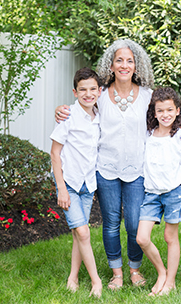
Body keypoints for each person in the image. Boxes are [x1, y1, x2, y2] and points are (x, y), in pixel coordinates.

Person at [55, 39, 181, 290]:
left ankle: (135, 269)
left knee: (133, 223)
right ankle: (116, 273)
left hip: (137, 171)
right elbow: (79, 108)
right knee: (110, 224)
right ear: (111, 65)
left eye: (129, 61)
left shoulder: (148, 96)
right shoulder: (99, 96)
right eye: (119, 60)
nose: (124, 65)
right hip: (105, 169)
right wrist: (60, 109)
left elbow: (166, 117)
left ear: (136, 65)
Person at [135, 87, 181, 296]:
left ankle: (170, 282)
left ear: (177, 111)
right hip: (151, 194)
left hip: (174, 192)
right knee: (142, 238)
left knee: (170, 237)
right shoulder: (148, 134)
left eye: (170, 110)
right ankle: (162, 272)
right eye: (160, 110)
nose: (165, 115)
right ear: (154, 112)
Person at [51, 67, 103, 297]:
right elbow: (55, 153)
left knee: (78, 233)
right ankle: (96, 281)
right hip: (69, 182)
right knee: (83, 232)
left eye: (92, 89)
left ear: (99, 91)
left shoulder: (99, 117)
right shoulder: (68, 116)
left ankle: (73, 277)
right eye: (82, 90)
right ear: (75, 92)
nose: (88, 94)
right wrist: (61, 188)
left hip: (88, 183)